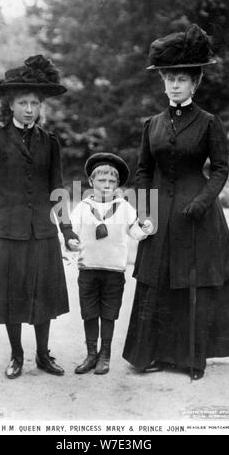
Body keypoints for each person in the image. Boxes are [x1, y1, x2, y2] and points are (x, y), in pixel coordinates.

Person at [122, 24, 229, 380]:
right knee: (157, 282)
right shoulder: (152, 125)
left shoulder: (209, 123)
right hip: (160, 215)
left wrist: (202, 202)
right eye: (169, 79)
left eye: (182, 79)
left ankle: (191, 359)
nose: (174, 85)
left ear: (195, 83)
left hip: (196, 215)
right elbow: (143, 170)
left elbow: (220, 169)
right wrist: (145, 212)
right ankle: (154, 354)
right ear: (163, 83)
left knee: (190, 284)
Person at [0, 55, 79, 379]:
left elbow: (57, 187)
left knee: (43, 295)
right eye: (23, 103)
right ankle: (17, 355)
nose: (29, 109)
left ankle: (43, 355)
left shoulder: (50, 143)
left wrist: (67, 230)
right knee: (12, 298)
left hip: (41, 231)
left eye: (34, 103)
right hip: (6, 232)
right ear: (10, 106)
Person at [68, 153, 153, 375]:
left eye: (112, 182)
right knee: (89, 312)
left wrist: (145, 228)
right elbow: (70, 233)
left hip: (114, 270)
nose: (106, 186)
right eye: (101, 181)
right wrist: (71, 243)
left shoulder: (124, 207)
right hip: (88, 268)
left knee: (108, 313)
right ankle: (90, 354)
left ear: (118, 184)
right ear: (91, 183)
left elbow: (135, 232)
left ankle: (104, 355)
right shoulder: (83, 207)